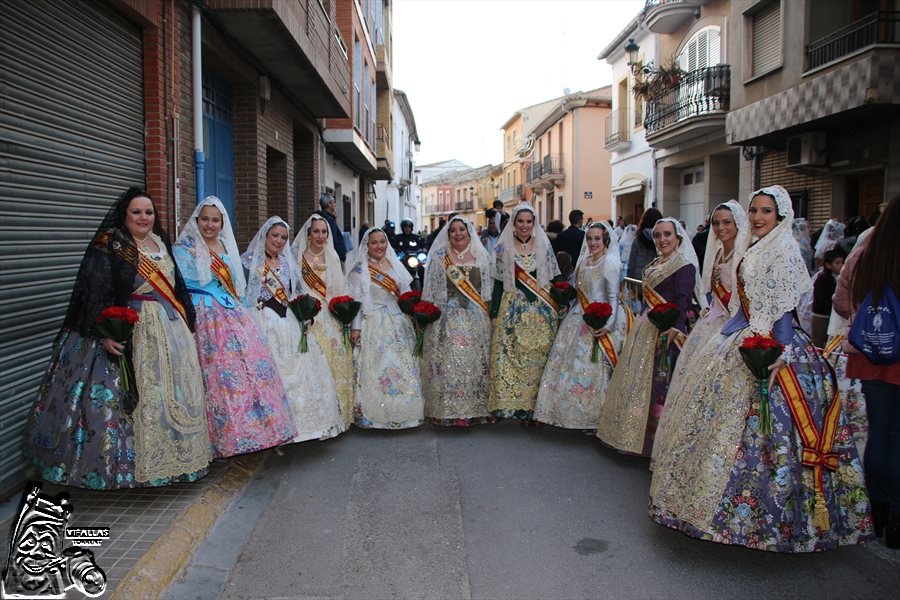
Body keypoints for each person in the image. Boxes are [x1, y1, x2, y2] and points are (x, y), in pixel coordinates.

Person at [649, 185, 872, 552]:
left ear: (780, 216)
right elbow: (743, 305)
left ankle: (774, 520)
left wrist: (776, 355)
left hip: (774, 348)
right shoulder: (756, 246)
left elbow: (784, 313)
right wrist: (723, 338)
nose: (757, 217)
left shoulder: (784, 251)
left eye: (765, 211)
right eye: (753, 210)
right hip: (746, 339)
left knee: (774, 436)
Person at [25, 188, 211, 489]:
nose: (143, 218)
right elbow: (94, 289)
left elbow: (177, 287)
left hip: (169, 331)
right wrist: (104, 334)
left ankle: (175, 462)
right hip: (131, 330)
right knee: (131, 400)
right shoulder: (112, 244)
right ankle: (128, 469)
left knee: (169, 398)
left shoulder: (160, 242)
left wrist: (188, 322)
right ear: (125, 214)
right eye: (137, 212)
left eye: (148, 212)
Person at [174, 197, 296, 458]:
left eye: (215, 220)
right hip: (203, 313)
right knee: (216, 374)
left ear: (222, 223)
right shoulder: (184, 248)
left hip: (232, 311)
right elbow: (181, 285)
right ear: (197, 220)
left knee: (246, 372)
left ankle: (252, 431)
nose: (210, 224)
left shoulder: (226, 245)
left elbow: (237, 285)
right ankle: (219, 437)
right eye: (205, 219)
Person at [653, 201, 748, 466]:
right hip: (714, 324)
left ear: (738, 223)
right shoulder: (718, 254)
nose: (720, 228)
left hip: (735, 327)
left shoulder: (744, 256)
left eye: (726, 222)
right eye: (716, 223)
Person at [596, 218, 701, 457]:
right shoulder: (656, 262)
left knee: (660, 384)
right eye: (658, 236)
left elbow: (683, 300)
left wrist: (675, 328)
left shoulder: (684, 265)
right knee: (638, 381)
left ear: (678, 238)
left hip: (668, 331)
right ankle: (630, 435)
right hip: (647, 326)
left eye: (667, 235)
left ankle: (657, 444)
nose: (662, 240)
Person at [834, 195, 900, 548]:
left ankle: (875, 511)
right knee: (898, 437)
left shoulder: (865, 252)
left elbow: (841, 302)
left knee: (878, 433)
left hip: (869, 354)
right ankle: (898, 521)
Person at [242, 217, 345, 442]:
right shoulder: (248, 262)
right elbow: (243, 296)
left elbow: (295, 294)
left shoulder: (288, 264)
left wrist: (305, 316)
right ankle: (274, 429)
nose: (278, 241)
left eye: (283, 237)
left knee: (304, 371)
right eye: (275, 236)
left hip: (288, 322)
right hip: (262, 323)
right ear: (265, 236)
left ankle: (306, 427)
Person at [535, 222, 627, 430]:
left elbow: (613, 297)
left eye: (597, 238)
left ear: (606, 240)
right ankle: (567, 413)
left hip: (601, 319)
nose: (593, 243)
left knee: (594, 368)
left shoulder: (610, 263)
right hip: (578, 317)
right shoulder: (583, 261)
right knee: (569, 366)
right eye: (590, 238)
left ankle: (594, 418)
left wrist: (609, 325)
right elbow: (579, 290)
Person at [488, 203, 561, 422]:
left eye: (529, 221)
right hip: (512, 307)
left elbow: (554, 277)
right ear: (513, 223)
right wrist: (494, 313)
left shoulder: (544, 246)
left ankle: (534, 410)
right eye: (520, 221)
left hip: (541, 309)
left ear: (534, 223)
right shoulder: (503, 248)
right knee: (510, 357)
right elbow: (498, 283)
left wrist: (562, 298)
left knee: (538, 359)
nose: (524, 226)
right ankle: (508, 407)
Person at [347, 228, 424, 429]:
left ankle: (405, 412)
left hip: (398, 321)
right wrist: (355, 328)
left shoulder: (396, 265)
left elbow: (406, 294)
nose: (379, 246)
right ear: (367, 245)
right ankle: (375, 414)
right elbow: (356, 301)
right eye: (374, 242)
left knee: (403, 366)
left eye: (382, 241)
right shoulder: (359, 270)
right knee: (374, 367)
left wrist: (414, 315)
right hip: (372, 322)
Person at [420, 216, 493, 426]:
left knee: (475, 362)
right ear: (448, 233)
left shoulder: (481, 256)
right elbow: (432, 290)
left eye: (462, 229)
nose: (458, 234)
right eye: (453, 230)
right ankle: (447, 410)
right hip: (447, 317)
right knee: (449, 363)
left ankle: (474, 409)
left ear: (469, 232)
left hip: (475, 317)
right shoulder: (440, 257)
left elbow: (486, 292)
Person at [291, 214, 355, 428]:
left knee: (334, 361)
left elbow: (338, 289)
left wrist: (343, 315)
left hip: (328, 316)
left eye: (324, 232)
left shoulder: (333, 257)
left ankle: (336, 416)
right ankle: (312, 420)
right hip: (306, 316)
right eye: (316, 231)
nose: (320, 236)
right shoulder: (297, 257)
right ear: (308, 234)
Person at [811, 247, 845, 347]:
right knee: (820, 343)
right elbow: (823, 300)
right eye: (837, 263)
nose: (841, 265)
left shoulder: (841, 279)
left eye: (842, 262)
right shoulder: (823, 280)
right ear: (828, 265)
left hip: (834, 317)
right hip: (822, 317)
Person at [627, 207, 663, 285]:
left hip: (639, 280)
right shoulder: (662, 239)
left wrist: (629, 283)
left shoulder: (638, 239)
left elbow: (631, 263)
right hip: (656, 279)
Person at [316, 193, 347, 263]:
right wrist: (340, 256)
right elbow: (333, 240)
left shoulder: (324, 218)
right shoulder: (329, 220)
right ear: (329, 204)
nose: (335, 204)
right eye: (333, 202)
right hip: (333, 259)